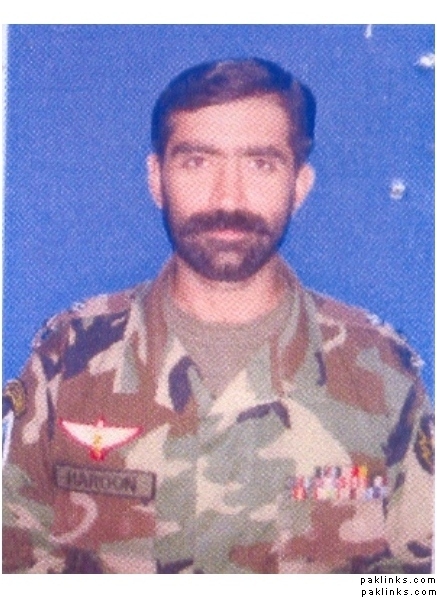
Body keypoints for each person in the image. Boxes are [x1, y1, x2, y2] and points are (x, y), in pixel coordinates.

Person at [2, 58, 434, 574]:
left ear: (300, 186)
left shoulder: (381, 372)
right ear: (156, 179)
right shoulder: (68, 358)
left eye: (261, 164)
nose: (228, 197)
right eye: (197, 162)